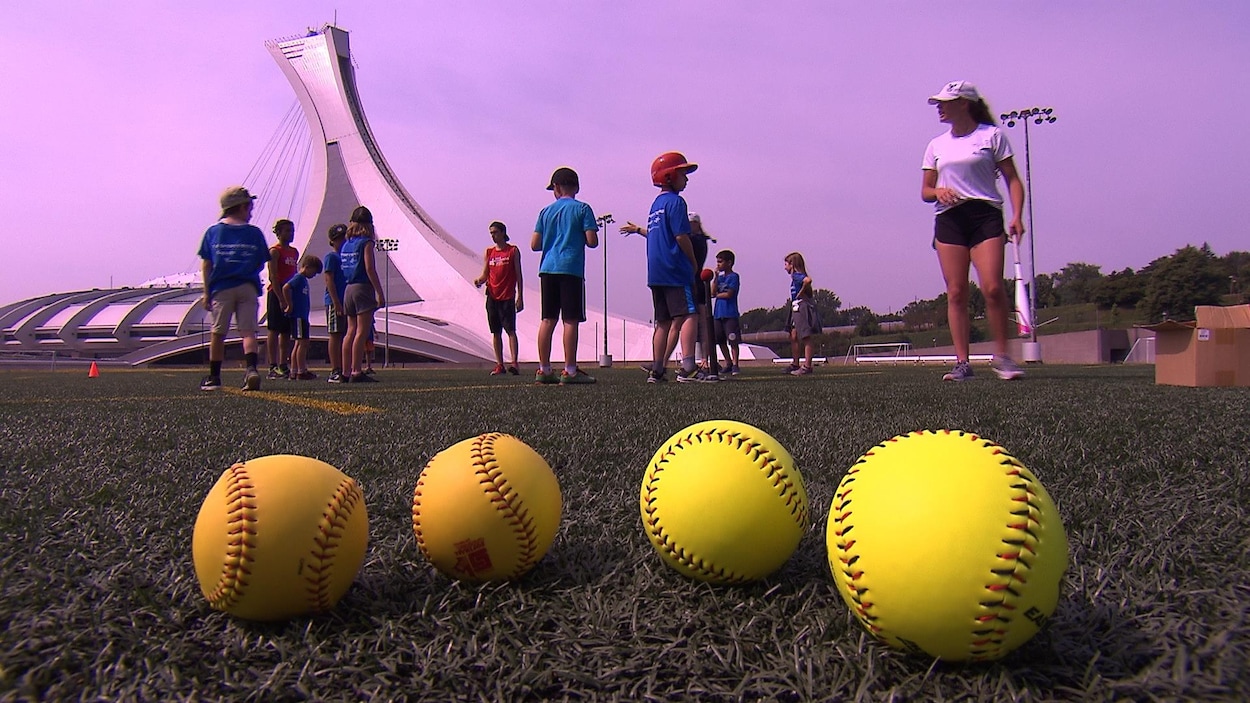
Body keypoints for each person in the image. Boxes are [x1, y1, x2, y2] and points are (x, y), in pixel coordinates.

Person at [921, 80, 1026, 381]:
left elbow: (1013, 180)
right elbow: (925, 190)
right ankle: (962, 363)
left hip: (985, 216)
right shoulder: (936, 145)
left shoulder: (992, 136)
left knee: (992, 287)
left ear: (964, 103)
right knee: (956, 292)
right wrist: (938, 192)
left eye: (945, 101)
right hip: (950, 220)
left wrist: (1016, 215)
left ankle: (1003, 357)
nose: (939, 107)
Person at [642, 151, 710, 383]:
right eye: (683, 173)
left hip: (656, 272)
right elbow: (681, 236)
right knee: (690, 314)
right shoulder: (676, 202)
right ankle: (689, 367)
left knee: (662, 322)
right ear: (670, 176)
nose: (687, 179)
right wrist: (692, 263)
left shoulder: (655, 205)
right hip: (675, 269)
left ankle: (657, 370)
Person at [197, 186, 270, 391]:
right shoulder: (254, 233)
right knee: (248, 332)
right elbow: (261, 261)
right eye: (249, 206)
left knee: (218, 333)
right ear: (241, 207)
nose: (251, 211)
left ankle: (214, 377)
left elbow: (206, 264)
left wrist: (206, 291)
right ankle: (251, 370)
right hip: (247, 286)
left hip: (222, 287)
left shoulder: (213, 232)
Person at [530, 167, 599, 385]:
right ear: (576, 187)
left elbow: (535, 245)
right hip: (570, 268)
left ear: (557, 188)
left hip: (548, 268)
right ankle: (569, 370)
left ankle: (544, 369)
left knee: (547, 319)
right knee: (570, 320)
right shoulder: (583, 209)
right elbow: (592, 241)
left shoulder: (545, 212)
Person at [339, 206, 386, 383]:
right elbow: (369, 268)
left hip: (348, 289)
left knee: (349, 331)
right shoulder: (366, 243)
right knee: (362, 331)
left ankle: (344, 371)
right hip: (362, 287)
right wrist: (379, 293)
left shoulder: (346, 244)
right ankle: (357, 370)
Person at [474, 220, 524, 375]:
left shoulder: (513, 251)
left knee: (510, 330)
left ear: (503, 233)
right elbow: (485, 273)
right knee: (495, 331)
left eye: (495, 232)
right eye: (491, 233)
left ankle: (514, 363)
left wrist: (520, 296)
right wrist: (479, 280)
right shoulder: (489, 252)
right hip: (492, 296)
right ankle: (500, 364)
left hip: (507, 296)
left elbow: (518, 275)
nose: (493, 236)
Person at [265, 219, 299, 380]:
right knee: (274, 329)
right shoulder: (274, 251)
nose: (290, 234)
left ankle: (283, 364)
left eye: (292, 230)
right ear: (279, 233)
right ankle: (272, 365)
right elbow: (273, 276)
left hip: (290, 293)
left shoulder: (294, 252)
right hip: (276, 294)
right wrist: (280, 298)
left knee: (286, 331)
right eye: (287, 231)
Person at [282, 254, 324, 380]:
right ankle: (301, 370)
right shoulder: (299, 278)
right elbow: (286, 287)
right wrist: (289, 304)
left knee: (298, 343)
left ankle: (294, 371)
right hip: (299, 316)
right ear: (307, 267)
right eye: (314, 272)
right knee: (303, 343)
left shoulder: (303, 280)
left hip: (303, 316)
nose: (313, 275)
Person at [784, 251, 820, 376]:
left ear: (792, 264)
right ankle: (795, 363)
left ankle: (807, 366)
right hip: (795, 306)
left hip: (801, 306)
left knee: (805, 336)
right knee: (793, 335)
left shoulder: (797, 275)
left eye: (786, 264)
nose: (785, 267)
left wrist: (800, 293)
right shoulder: (794, 278)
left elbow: (808, 280)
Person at [323, 224, 349, 383]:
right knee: (335, 334)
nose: (343, 242)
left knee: (346, 334)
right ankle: (335, 369)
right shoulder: (331, 257)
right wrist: (336, 302)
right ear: (333, 241)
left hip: (347, 300)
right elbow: (329, 280)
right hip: (335, 301)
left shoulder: (346, 257)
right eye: (339, 239)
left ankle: (346, 368)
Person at [712, 249, 742, 376]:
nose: (718, 264)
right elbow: (712, 293)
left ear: (729, 263)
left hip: (730, 313)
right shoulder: (720, 278)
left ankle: (735, 364)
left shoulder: (733, 277)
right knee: (720, 339)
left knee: (732, 339)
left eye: (720, 262)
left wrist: (718, 295)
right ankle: (728, 363)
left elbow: (729, 294)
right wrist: (715, 278)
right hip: (718, 313)